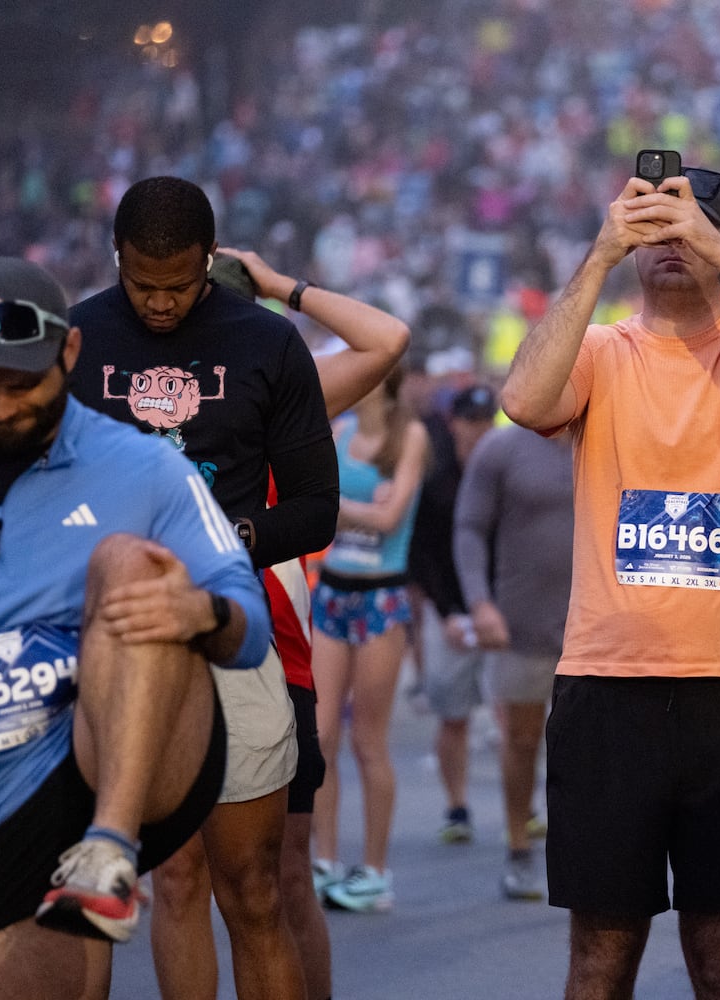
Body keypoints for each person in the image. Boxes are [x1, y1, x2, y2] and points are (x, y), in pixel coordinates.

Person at [0, 256, 271, 998]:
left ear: (68, 353)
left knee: (130, 563)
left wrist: (201, 610)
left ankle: (109, 849)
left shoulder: (145, 468)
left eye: (22, 385)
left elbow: (248, 622)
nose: (1, 408)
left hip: (130, 763)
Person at [502, 161, 720, 999]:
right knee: (599, 960)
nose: (670, 238)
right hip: (608, 689)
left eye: (690, 222)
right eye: (652, 221)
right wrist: (601, 253)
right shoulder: (605, 350)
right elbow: (525, 400)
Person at [68, 176, 337, 1000]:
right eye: (142, 286)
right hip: (113, 636)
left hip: (230, 627)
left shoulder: (267, 343)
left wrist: (219, 544)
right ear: (116, 259)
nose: (158, 304)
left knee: (251, 891)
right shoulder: (76, 337)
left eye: (180, 286)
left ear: (209, 261)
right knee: (170, 882)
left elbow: (316, 510)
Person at [211, 245, 410, 999]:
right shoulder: (138, 379)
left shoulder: (280, 384)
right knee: (184, 879)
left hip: (275, 634)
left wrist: (283, 287)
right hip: (173, 636)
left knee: (285, 875)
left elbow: (387, 340)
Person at [309, 368, 427, 912]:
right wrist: (354, 510)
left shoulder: (412, 435)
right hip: (332, 594)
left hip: (381, 599)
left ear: (385, 378)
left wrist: (338, 507)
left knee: (368, 741)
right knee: (322, 735)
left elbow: (391, 517)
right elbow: (312, 500)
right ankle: (323, 861)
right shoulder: (337, 431)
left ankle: (376, 872)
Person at [452, 421, 574, 901]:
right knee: (522, 741)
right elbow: (469, 527)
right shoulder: (502, 447)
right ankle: (519, 847)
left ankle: (578, 851)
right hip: (520, 628)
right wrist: (480, 603)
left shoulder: (603, 436)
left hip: (593, 630)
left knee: (584, 748)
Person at [407, 383, 497, 844]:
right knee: (453, 715)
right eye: (472, 421)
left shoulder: (503, 472)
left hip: (501, 611)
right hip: (452, 611)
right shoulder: (439, 479)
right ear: (455, 422)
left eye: (486, 422)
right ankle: (457, 805)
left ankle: (530, 806)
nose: (479, 430)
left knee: (520, 713)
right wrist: (445, 614)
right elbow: (422, 553)